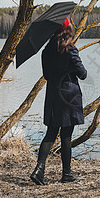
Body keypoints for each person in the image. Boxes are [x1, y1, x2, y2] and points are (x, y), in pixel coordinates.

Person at [30, 17, 87, 185]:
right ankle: (67, 174)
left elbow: (47, 75)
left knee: (51, 132)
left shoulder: (46, 51)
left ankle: (38, 171)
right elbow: (83, 74)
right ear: (67, 31)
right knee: (66, 136)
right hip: (68, 96)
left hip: (53, 95)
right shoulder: (70, 50)